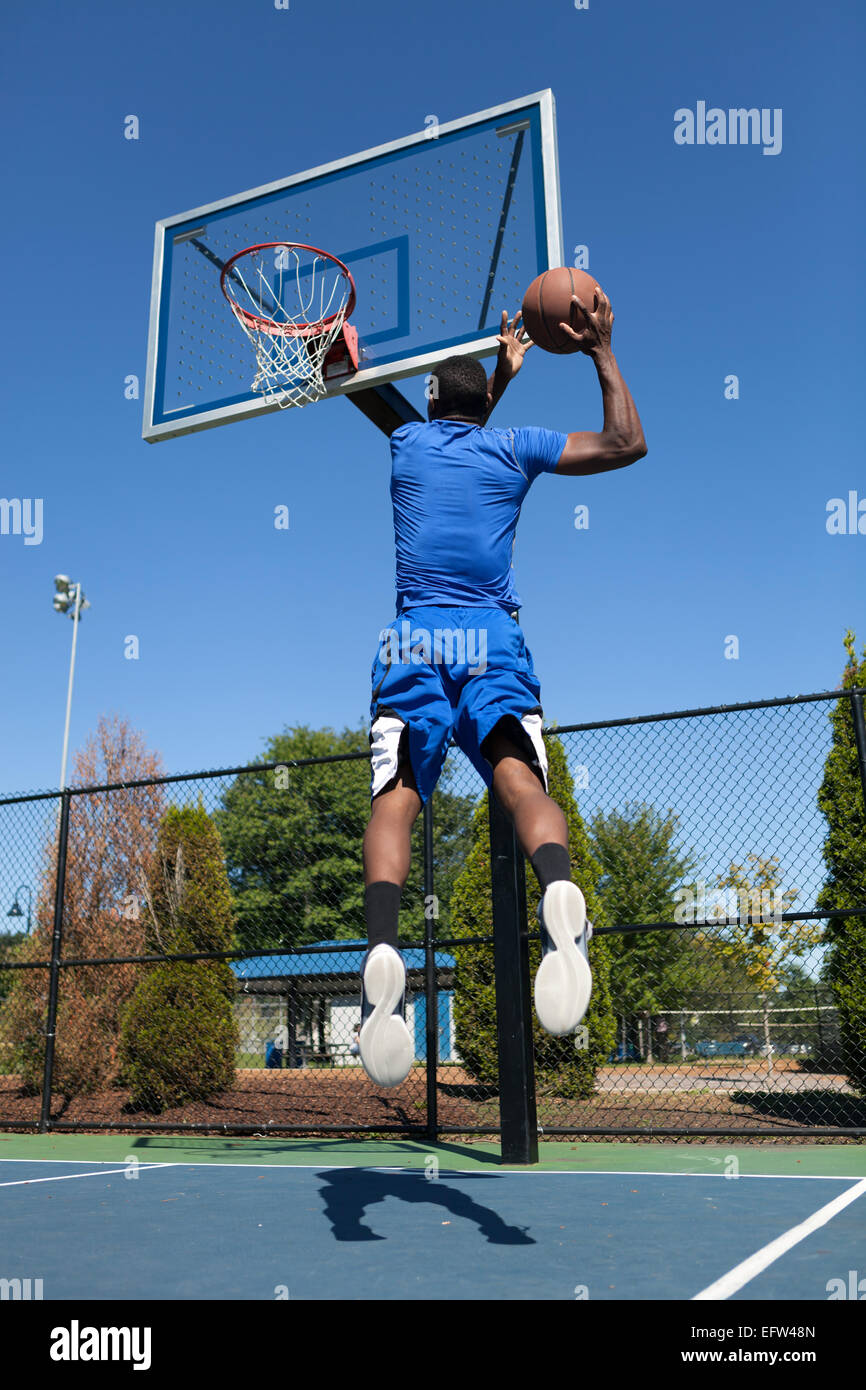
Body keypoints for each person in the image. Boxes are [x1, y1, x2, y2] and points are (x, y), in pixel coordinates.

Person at [358, 289, 647, 1086]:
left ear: (428, 402)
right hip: (492, 638)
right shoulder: (512, 448)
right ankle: (559, 894)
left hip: (415, 639)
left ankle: (383, 943)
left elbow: (373, 389)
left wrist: (340, 349)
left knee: (397, 799)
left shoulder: (406, 446)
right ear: (481, 406)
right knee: (518, 781)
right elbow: (628, 443)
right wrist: (598, 350)